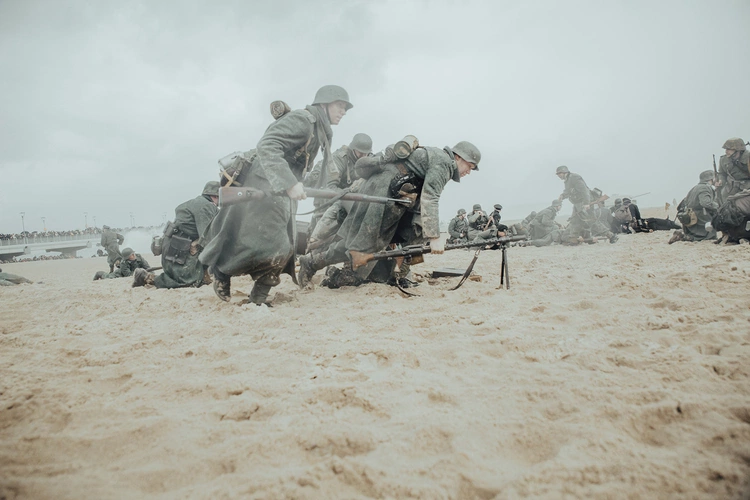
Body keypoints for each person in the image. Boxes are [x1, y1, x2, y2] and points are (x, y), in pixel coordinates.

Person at [200, 85, 352, 305]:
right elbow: (268, 145)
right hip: (265, 186)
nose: (344, 111)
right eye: (340, 105)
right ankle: (223, 274)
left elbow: (302, 166)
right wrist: (290, 183)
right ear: (325, 104)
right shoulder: (303, 120)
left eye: (345, 107)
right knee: (278, 245)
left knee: (285, 246)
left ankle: (257, 298)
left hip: (279, 190)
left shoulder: (319, 129)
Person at [298, 140, 481, 287]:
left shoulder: (439, 159)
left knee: (404, 236)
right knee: (363, 244)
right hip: (384, 190)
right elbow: (430, 197)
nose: (469, 172)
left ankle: (399, 274)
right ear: (458, 157)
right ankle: (312, 262)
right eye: (469, 166)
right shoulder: (443, 162)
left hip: (396, 196)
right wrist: (434, 236)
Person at [133, 181, 220, 289]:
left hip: (174, 246)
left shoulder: (199, 203)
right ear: (214, 196)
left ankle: (203, 276)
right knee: (185, 280)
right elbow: (208, 237)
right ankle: (147, 278)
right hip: (178, 250)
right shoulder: (206, 206)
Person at [304, 133, 373, 250]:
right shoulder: (338, 159)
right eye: (360, 152)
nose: (363, 156)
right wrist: (348, 193)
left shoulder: (368, 159)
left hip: (347, 200)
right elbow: (330, 188)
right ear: (353, 149)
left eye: (366, 153)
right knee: (318, 240)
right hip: (328, 199)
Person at [556, 165, 617, 243]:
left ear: (564, 172)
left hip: (583, 203)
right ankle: (573, 239)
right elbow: (567, 191)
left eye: (559, 174)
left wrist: (586, 203)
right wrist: (562, 196)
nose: (558, 176)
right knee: (575, 221)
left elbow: (584, 190)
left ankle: (611, 235)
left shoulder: (574, 177)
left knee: (592, 221)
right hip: (577, 204)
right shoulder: (568, 180)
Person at [669, 170, 719, 243]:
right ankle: (683, 237)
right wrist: (718, 206)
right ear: (711, 179)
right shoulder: (705, 188)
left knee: (696, 234)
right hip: (700, 217)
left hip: (690, 216)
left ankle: (683, 235)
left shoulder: (695, 188)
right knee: (709, 236)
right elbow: (705, 203)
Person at [717, 137, 750, 203]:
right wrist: (721, 181)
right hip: (731, 190)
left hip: (747, 189)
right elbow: (722, 173)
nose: (726, 151)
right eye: (726, 149)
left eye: (729, 149)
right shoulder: (723, 160)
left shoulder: (748, 158)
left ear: (738, 150)